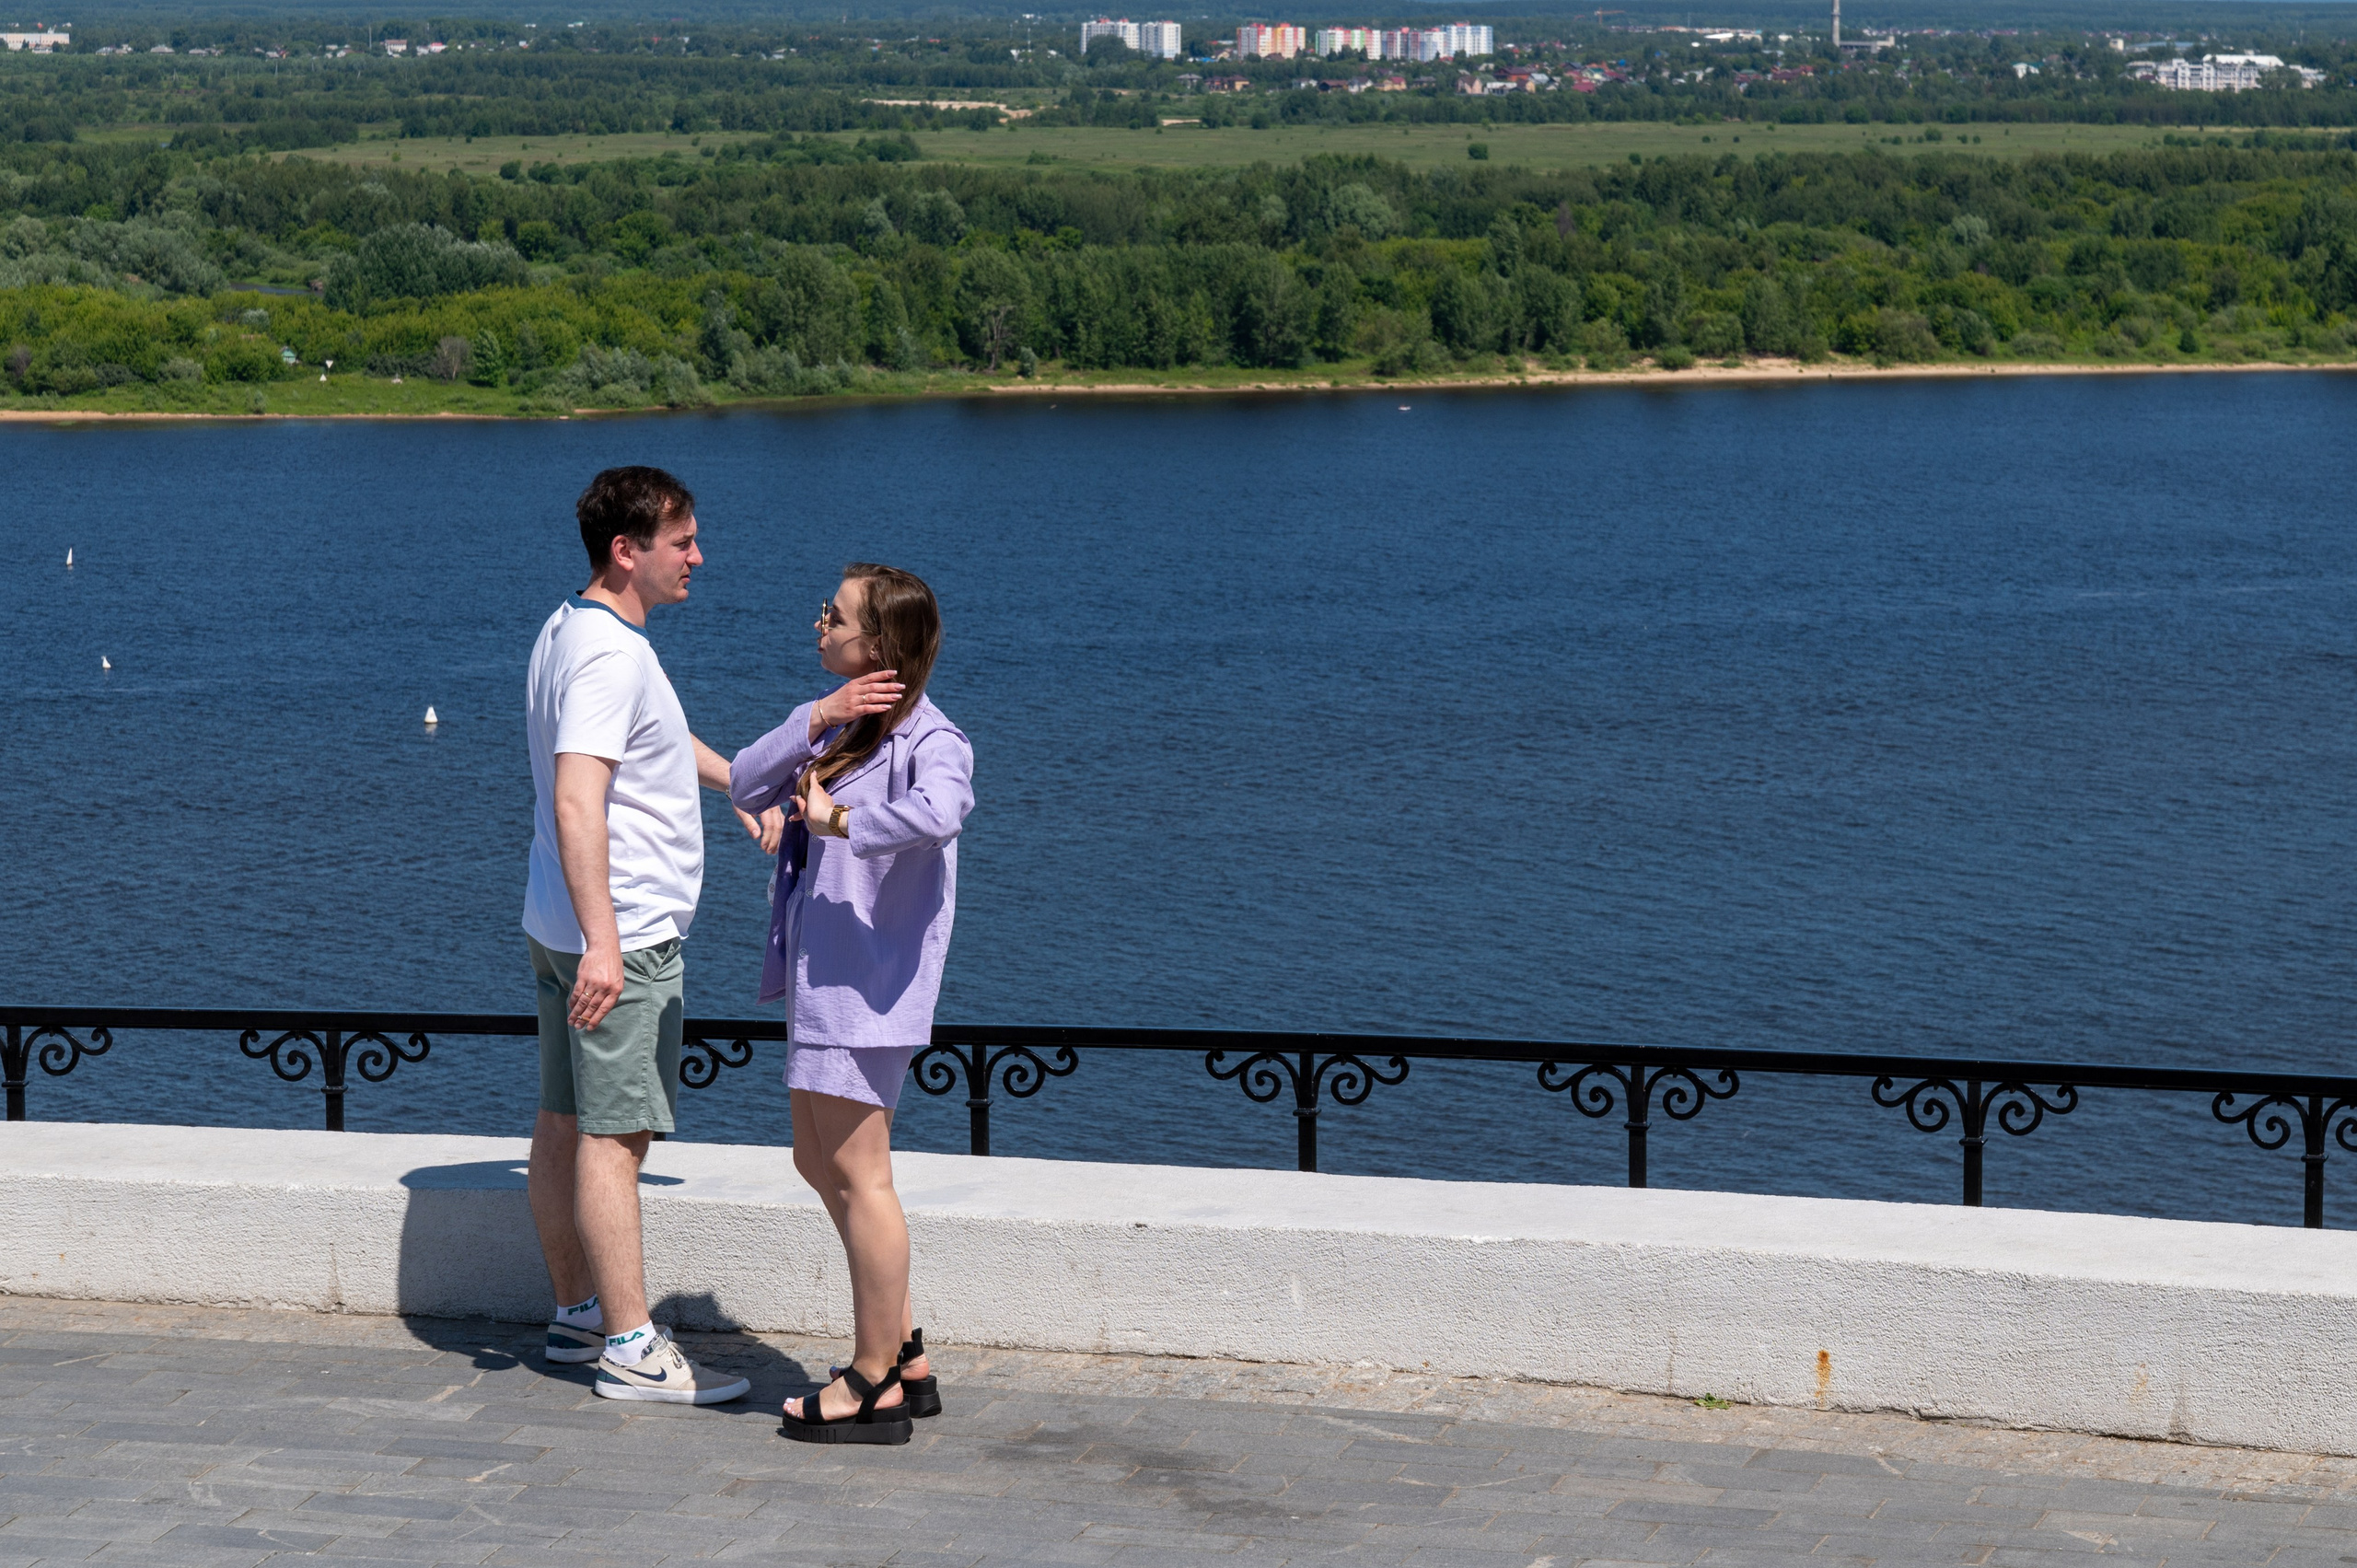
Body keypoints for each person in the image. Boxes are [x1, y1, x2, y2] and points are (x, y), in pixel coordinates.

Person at [523, 465, 782, 1406]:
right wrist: (606, 939)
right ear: (626, 550)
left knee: (562, 1120)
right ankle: (631, 1346)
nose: (697, 557)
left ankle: (579, 1311)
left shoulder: (572, 628)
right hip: (617, 938)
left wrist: (743, 785)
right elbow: (578, 794)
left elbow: (658, 745)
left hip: (561, 923)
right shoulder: (608, 654)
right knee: (615, 1137)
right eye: (682, 541)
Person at [730, 563, 972, 1446]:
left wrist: (837, 824)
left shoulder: (930, 740)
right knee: (813, 1158)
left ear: (882, 645)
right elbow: (745, 783)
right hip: (821, 981)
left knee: (862, 1176)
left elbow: (943, 811)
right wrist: (819, 717)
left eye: (836, 615)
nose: (819, 621)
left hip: (868, 991)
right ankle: (903, 1346)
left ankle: (875, 1380)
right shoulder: (846, 731)